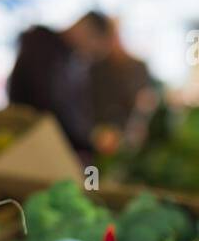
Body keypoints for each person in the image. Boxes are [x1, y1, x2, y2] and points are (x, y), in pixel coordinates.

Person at [63, 11, 153, 153]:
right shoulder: (93, 67)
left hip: (127, 134)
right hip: (98, 136)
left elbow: (145, 101)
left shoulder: (137, 66)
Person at [6, 25, 92, 153]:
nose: (86, 53)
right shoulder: (48, 51)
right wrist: (82, 141)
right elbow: (50, 102)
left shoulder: (55, 51)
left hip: (34, 135)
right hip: (34, 138)